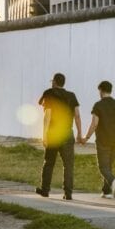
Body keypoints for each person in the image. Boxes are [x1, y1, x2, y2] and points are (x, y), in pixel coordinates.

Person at [81, 80, 115, 199]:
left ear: (101, 91)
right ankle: (106, 191)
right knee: (108, 166)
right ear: (110, 90)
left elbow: (94, 124)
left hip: (104, 140)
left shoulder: (98, 105)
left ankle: (113, 180)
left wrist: (86, 137)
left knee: (103, 167)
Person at [36, 72, 82, 201]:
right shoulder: (72, 96)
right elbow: (77, 116)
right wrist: (79, 133)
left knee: (49, 162)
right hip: (68, 133)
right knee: (68, 165)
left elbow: (47, 115)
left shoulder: (49, 93)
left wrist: (44, 135)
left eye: (52, 81)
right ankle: (68, 193)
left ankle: (45, 190)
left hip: (54, 133)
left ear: (54, 82)